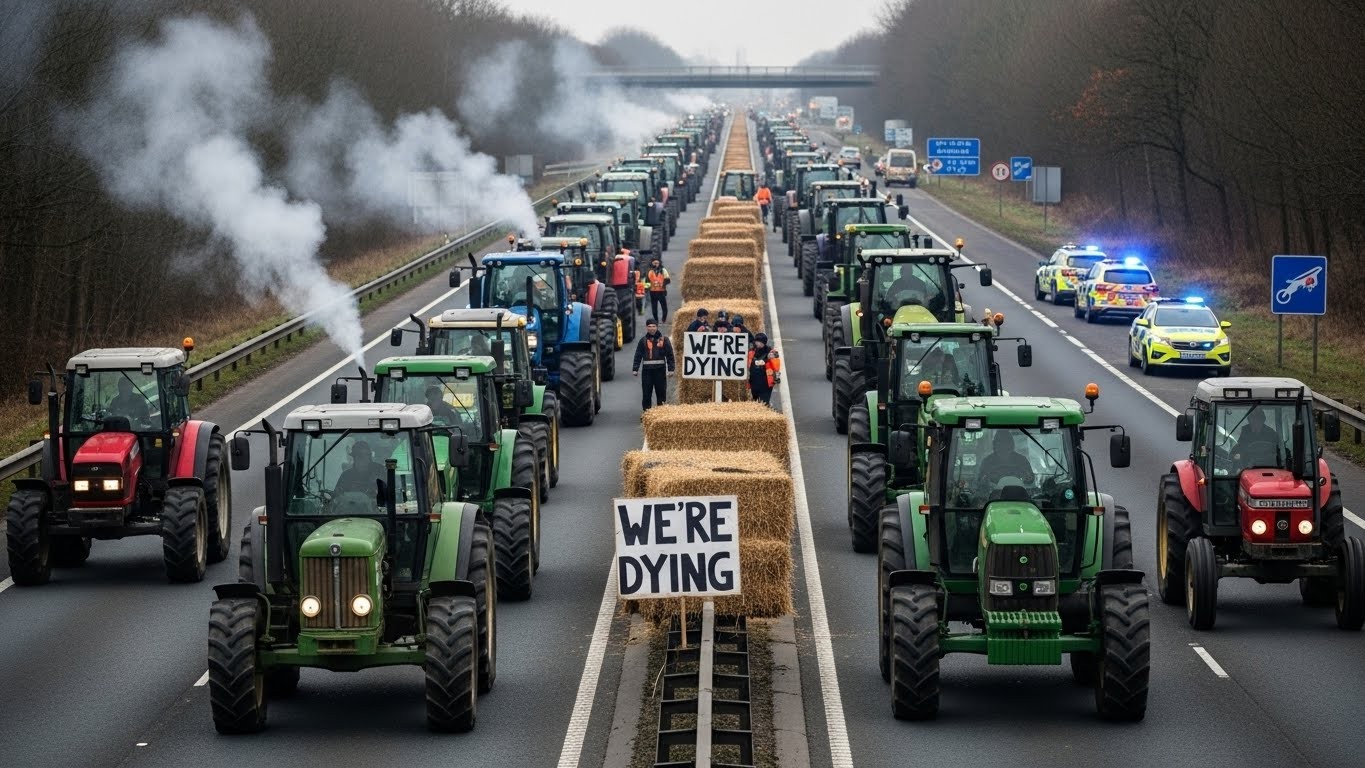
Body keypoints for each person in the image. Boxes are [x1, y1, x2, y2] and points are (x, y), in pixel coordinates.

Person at [632, 318, 675, 411]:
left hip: (660, 371)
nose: (651, 328)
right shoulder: (643, 341)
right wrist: (635, 368)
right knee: (646, 394)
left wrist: (671, 369)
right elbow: (638, 355)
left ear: (657, 327)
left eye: (653, 326)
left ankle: (661, 412)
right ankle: (647, 412)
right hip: (647, 372)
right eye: (649, 326)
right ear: (646, 327)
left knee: (661, 393)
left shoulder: (664, 340)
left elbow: (670, 355)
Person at [747, 333, 782, 406]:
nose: (757, 343)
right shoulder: (751, 352)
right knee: (756, 402)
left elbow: (776, 367)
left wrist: (772, 358)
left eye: (760, 342)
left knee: (764, 403)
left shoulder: (771, 352)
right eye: (756, 341)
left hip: (766, 382)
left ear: (764, 342)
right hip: (754, 382)